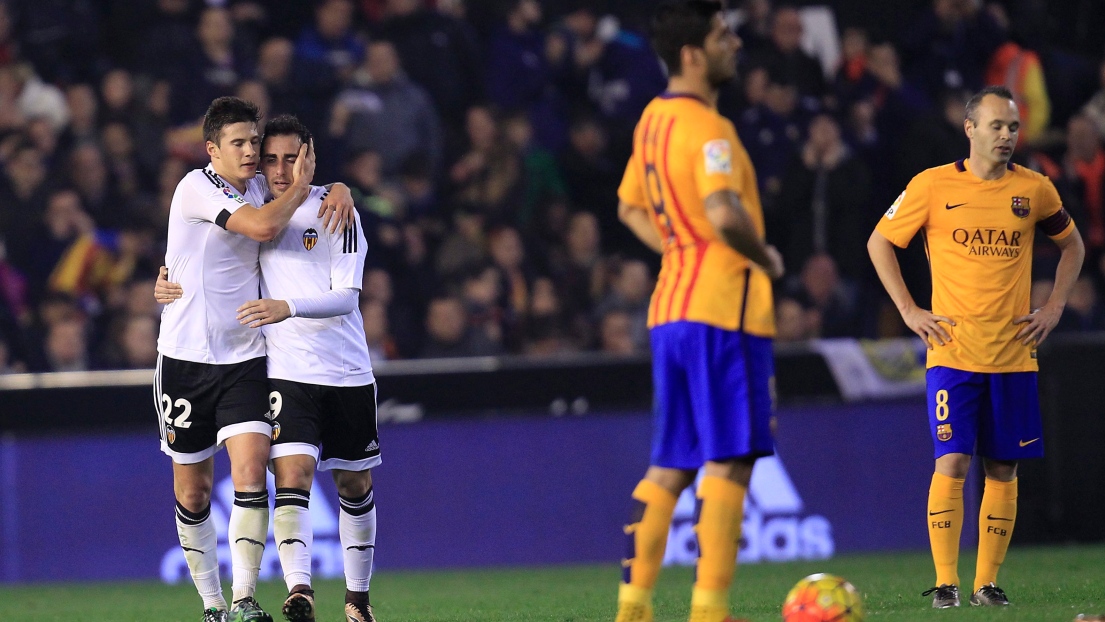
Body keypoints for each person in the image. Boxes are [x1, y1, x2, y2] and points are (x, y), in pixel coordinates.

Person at [867, 85, 1085, 609]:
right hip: (952, 352)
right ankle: (947, 583)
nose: (1007, 135)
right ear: (970, 129)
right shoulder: (932, 185)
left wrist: (1053, 307)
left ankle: (987, 584)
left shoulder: (1035, 191)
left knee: (1004, 468)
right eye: (997, 126)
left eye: (1013, 127)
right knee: (953, 463)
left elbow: (1072, 245)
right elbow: (880, 242)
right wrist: (909, 311)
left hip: (1014, 354)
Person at [159, 114, 379, 622]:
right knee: (197, 489)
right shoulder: (226, 191)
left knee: (282, 475)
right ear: (213, 148)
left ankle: (255, 599)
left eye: (272, 150)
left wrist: (338, 186)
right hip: (200, 359)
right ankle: (222, 602)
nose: (269, 163)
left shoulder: (329, 207)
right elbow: (251, 228)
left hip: (276, 362)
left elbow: (347, 295)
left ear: (309, 155)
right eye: (256, 149)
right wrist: (166, 277)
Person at [612, 3, 784, 622]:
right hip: (722, 308)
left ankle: (634, 607)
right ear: (692, 53)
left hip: (671, 309)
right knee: (731, 458)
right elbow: (723, 213)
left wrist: (678, 247)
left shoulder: (652, 122)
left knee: (671, 463)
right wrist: (765, 258)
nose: (733, 44)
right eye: (721, 36)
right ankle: (711, 610)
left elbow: (630, 207)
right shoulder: (711, 130)